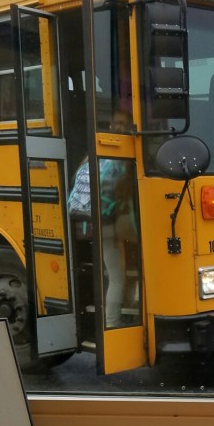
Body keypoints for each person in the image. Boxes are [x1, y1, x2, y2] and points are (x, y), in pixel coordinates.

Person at [68, 111, 136, 329]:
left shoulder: (97, 149)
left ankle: (120, 314)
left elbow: (75, 180)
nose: (118, 127)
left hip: (97, 221)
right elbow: (127, 193)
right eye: (118, 123)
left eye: (121, 124)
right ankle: (114, 322)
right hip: (117, 223)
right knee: (118, 277)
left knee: (118, 273)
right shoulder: (126, 153)